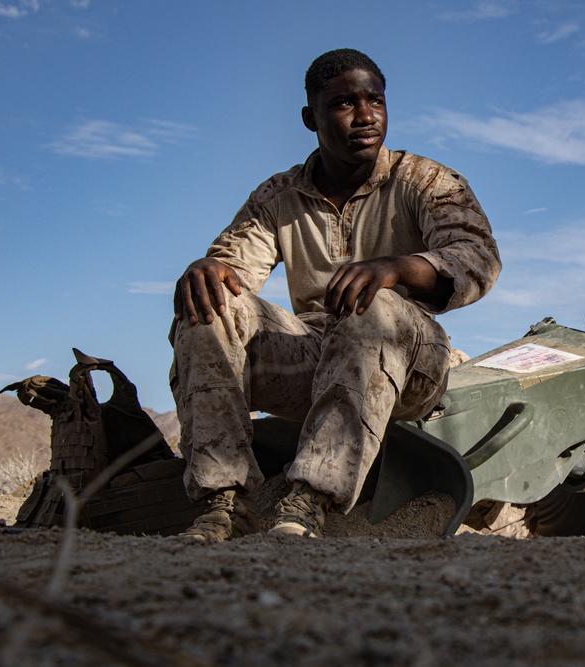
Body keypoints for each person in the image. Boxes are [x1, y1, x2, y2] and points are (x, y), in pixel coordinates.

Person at [169, 48, 501, 542]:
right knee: (210, 304)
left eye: (376, 101)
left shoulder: (426, 181)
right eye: (345, 103)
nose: (366, 116)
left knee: (376, 305)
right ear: (311, 118)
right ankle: (225, 502)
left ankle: (310, 500)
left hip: (411, 362)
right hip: (314, 353)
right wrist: (207, 270)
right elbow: (234, 268)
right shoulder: (277, 197)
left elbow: (477, 256)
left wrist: (398, 268)